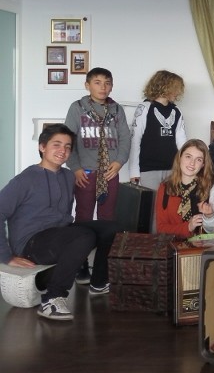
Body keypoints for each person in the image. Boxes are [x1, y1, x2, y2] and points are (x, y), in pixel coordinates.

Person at [0, 124, 121, 320]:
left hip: (59, 232)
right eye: (56, 144)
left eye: (67, 146)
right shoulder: (24, 180)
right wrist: (5, 256)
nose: (62, 151)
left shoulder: (68, 176)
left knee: (112, 228)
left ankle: (99, 282)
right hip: (31, 242)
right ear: (42, 147)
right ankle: (52, 298)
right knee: (84, 236)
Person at [64, 67, 132, 222]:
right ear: (87, 85)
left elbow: (125, 138)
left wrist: (119, 162)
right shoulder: (77, 108)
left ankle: (105, 239)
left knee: (108, 215)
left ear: (112, 87)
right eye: (97, 82)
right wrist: (75, 167)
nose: (103, 87)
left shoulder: (117, 109)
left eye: (107, 83)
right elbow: (68, 139)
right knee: (83, 213)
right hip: (84, 172)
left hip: (110, 171)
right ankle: (83, 238)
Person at [128, 70, 187, 190]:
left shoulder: (176, 111)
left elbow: (182, 141)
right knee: (151, 201)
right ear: (165, 87)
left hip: (172, 168)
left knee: (170, 200)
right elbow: (135, 140)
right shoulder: (145, 108)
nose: (178, 92)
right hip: (149, 168)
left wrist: (184, 165)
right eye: (176, 88)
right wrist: (134, 170)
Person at [155, 139, 214, 238]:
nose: (192, 163)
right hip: (172, 244)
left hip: (200, 245)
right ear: (180, 157)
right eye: (188, 157)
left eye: (199, 160)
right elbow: (161, 228)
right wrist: (187, 227)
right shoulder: (165, 188)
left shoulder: (210, 189)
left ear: (203, 165)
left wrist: (210, 217)